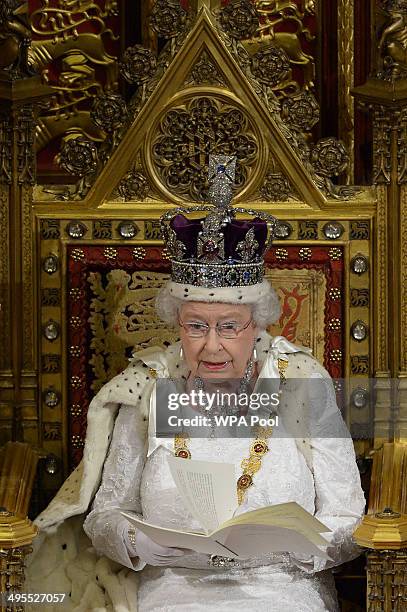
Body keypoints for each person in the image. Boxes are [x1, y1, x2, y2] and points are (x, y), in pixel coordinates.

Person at [27, 156, 365, 611]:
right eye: (195, 327)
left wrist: (298, 548)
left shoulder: (303, 383)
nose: (211, 347)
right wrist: (137, 543)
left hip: (281, 589)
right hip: (170, 590)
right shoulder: (147, 387)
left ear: (258, 324)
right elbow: (106, 515)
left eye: (229, 327)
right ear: (177, 324)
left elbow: (348, 520)